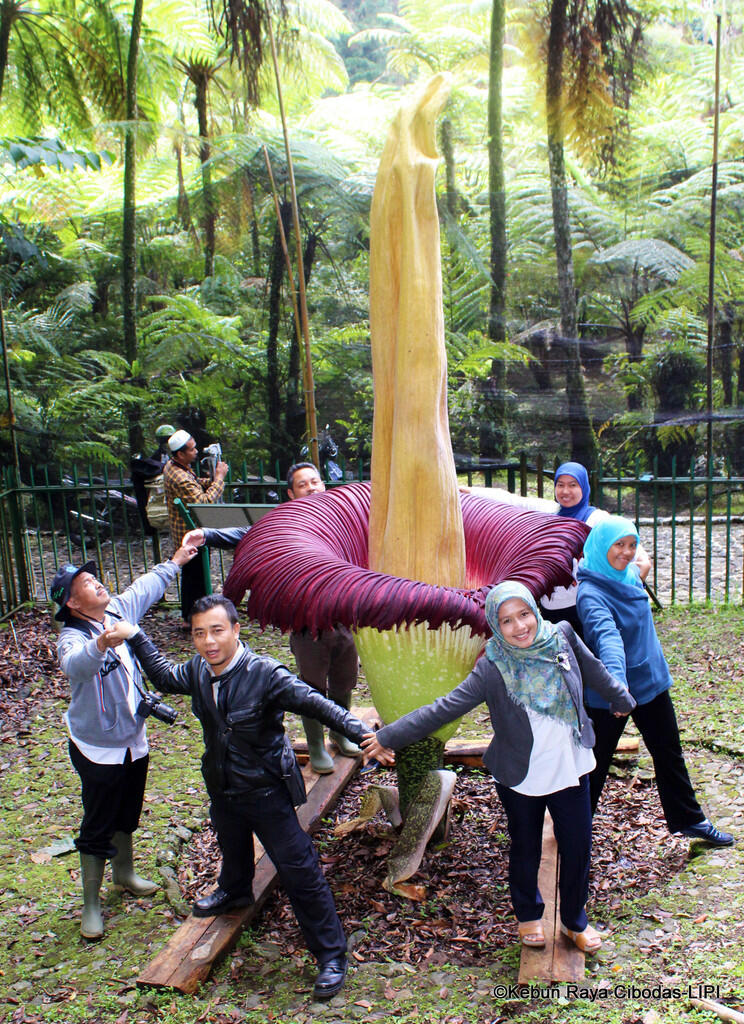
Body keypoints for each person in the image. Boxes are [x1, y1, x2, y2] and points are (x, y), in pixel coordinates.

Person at [116, 594, 373, 999]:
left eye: (217, 630)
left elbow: (319, 704)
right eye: (199, 633)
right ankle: (235, 890)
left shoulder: (266, 674)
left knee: (299, 870)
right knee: (231, 843)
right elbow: (165, 677)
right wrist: (135, 636)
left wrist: (367, 735)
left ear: (235, 630)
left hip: (266, 788)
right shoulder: (200, 670)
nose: (208, 642)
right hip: (222, 783)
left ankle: (330, 955)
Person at [362, 581, 636, 954]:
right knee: (525, 848)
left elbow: (593, 669)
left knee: (578, 846)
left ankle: (575, 921)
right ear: (495, 624)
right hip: (520, 774)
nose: (520, 626)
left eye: (524, 614)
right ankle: (528, 917)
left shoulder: (562, 637)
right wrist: (390, 735)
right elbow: (444, 708)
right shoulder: (491, 667)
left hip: (571, 765)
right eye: (507, 621)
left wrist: (620, 697)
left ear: (534, 611)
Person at [182, 460, 366, 776]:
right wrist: (207, 533)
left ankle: (339, 732)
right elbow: (248, 533)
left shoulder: (341, 515)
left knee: (344, 679)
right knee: (311, 685)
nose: (311, 487)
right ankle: (317, 745)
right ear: (292, 494)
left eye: (315, 481)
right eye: (302, 484)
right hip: (307, 622)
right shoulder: (286, 520)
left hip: (342, 617)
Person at [53, 545, 197, 940]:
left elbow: (145, 587)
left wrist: (177, 560)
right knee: (98, 820)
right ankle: (91, 904)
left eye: (95, 577)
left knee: (128, 809)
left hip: (134, 737)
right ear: (71, 602)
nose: (97, 583)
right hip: (97, 746)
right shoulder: (71, 637)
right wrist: (100, 645)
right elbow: (74, 666)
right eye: (86, 582)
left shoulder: (117, 610)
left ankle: (125, 874)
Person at [576, 515, 734, 847]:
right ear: (601, 545)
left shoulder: (629, 575)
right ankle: (573, 831)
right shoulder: (591, 593)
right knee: (593, 764)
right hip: (611, 694)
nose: (626, 552)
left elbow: (640, 563)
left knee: (668, 754)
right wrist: (618, 686)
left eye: (631, 544)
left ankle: (689, 821)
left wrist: (633, 549)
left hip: (650, 682)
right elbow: (608, 640)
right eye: (618, 544)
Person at [162, 429, 228, 626]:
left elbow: (195, 484)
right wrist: (219, 479)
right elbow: (204, 502)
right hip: (189, 533)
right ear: (180, 454)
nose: (196, 451)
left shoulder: (177, 467)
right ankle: (193, 618)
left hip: (187, 532)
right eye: (192, 450)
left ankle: (193, 617)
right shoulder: (179, 476)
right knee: (196, 578)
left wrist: (211, 480)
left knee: (193, 576)